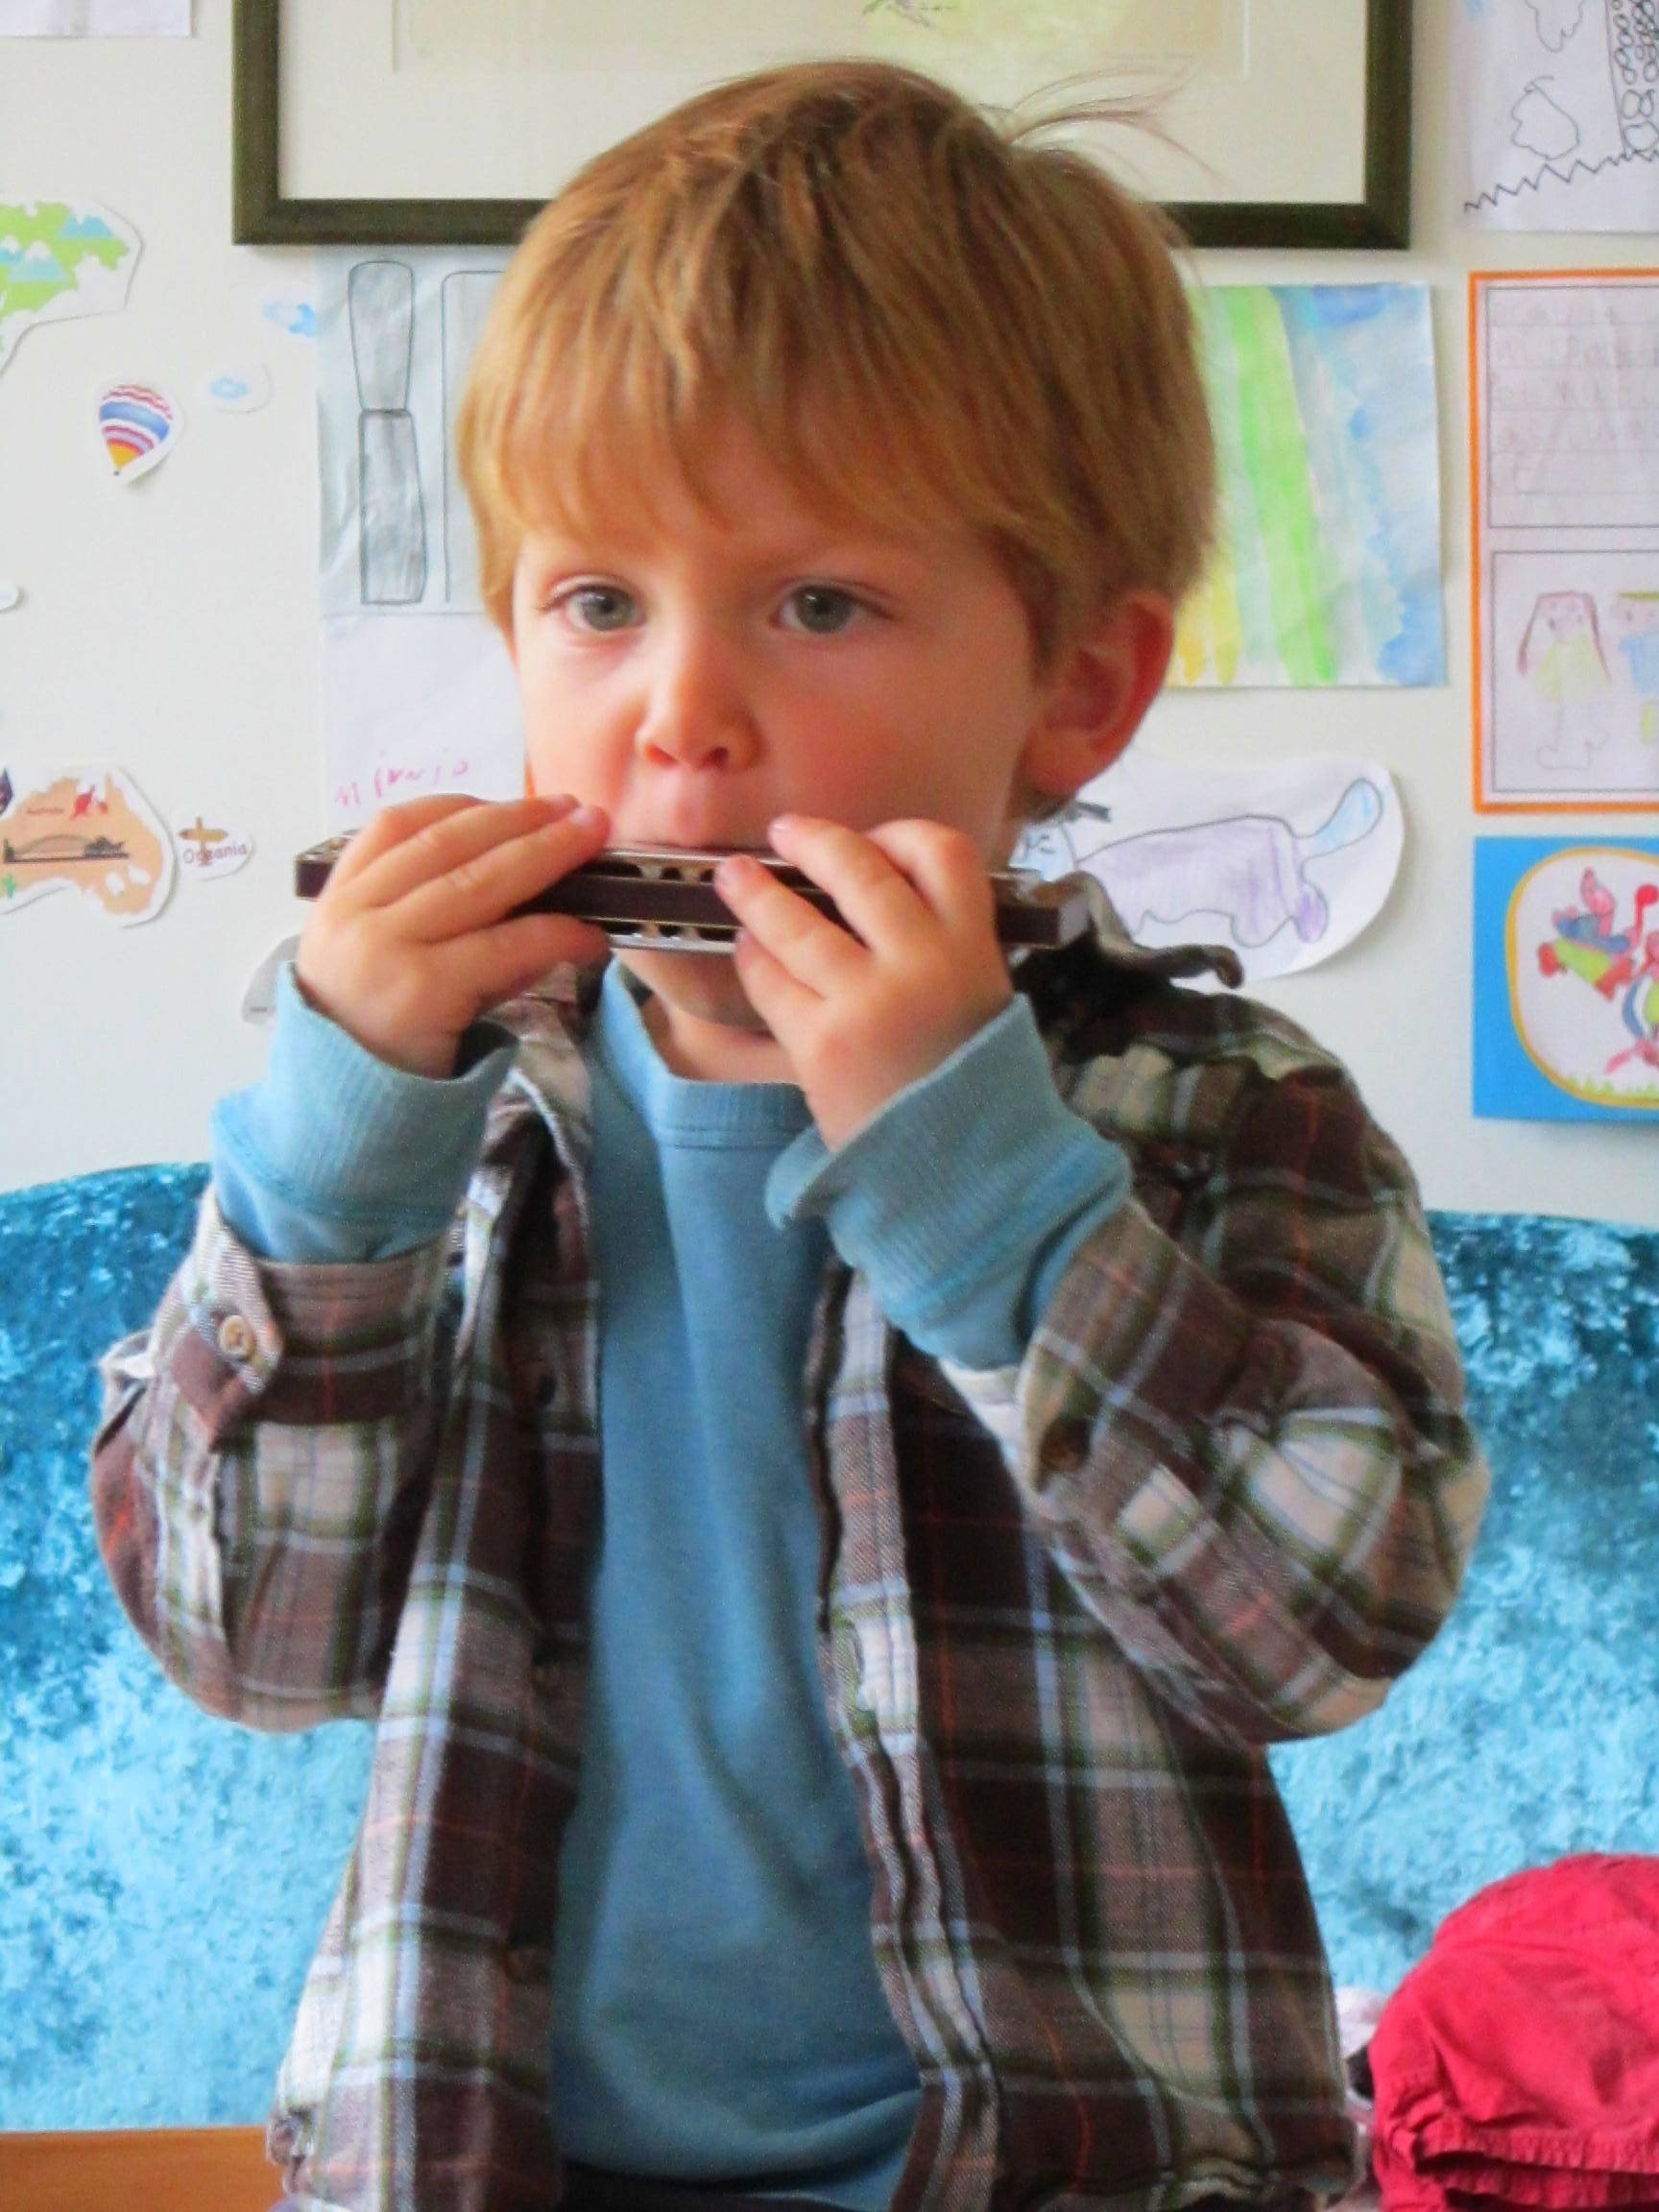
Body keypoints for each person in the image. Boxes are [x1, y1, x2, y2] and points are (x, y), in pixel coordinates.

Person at [91, 58, 1488, 2212]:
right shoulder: (438, 1125)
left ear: (1077, 690)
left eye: (817, 604)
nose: (680, 713)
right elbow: (245, 1645)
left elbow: (1320, 1630)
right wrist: (327, 1170)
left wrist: (990, 1193)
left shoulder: (1218, 1113)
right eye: (598, 603)